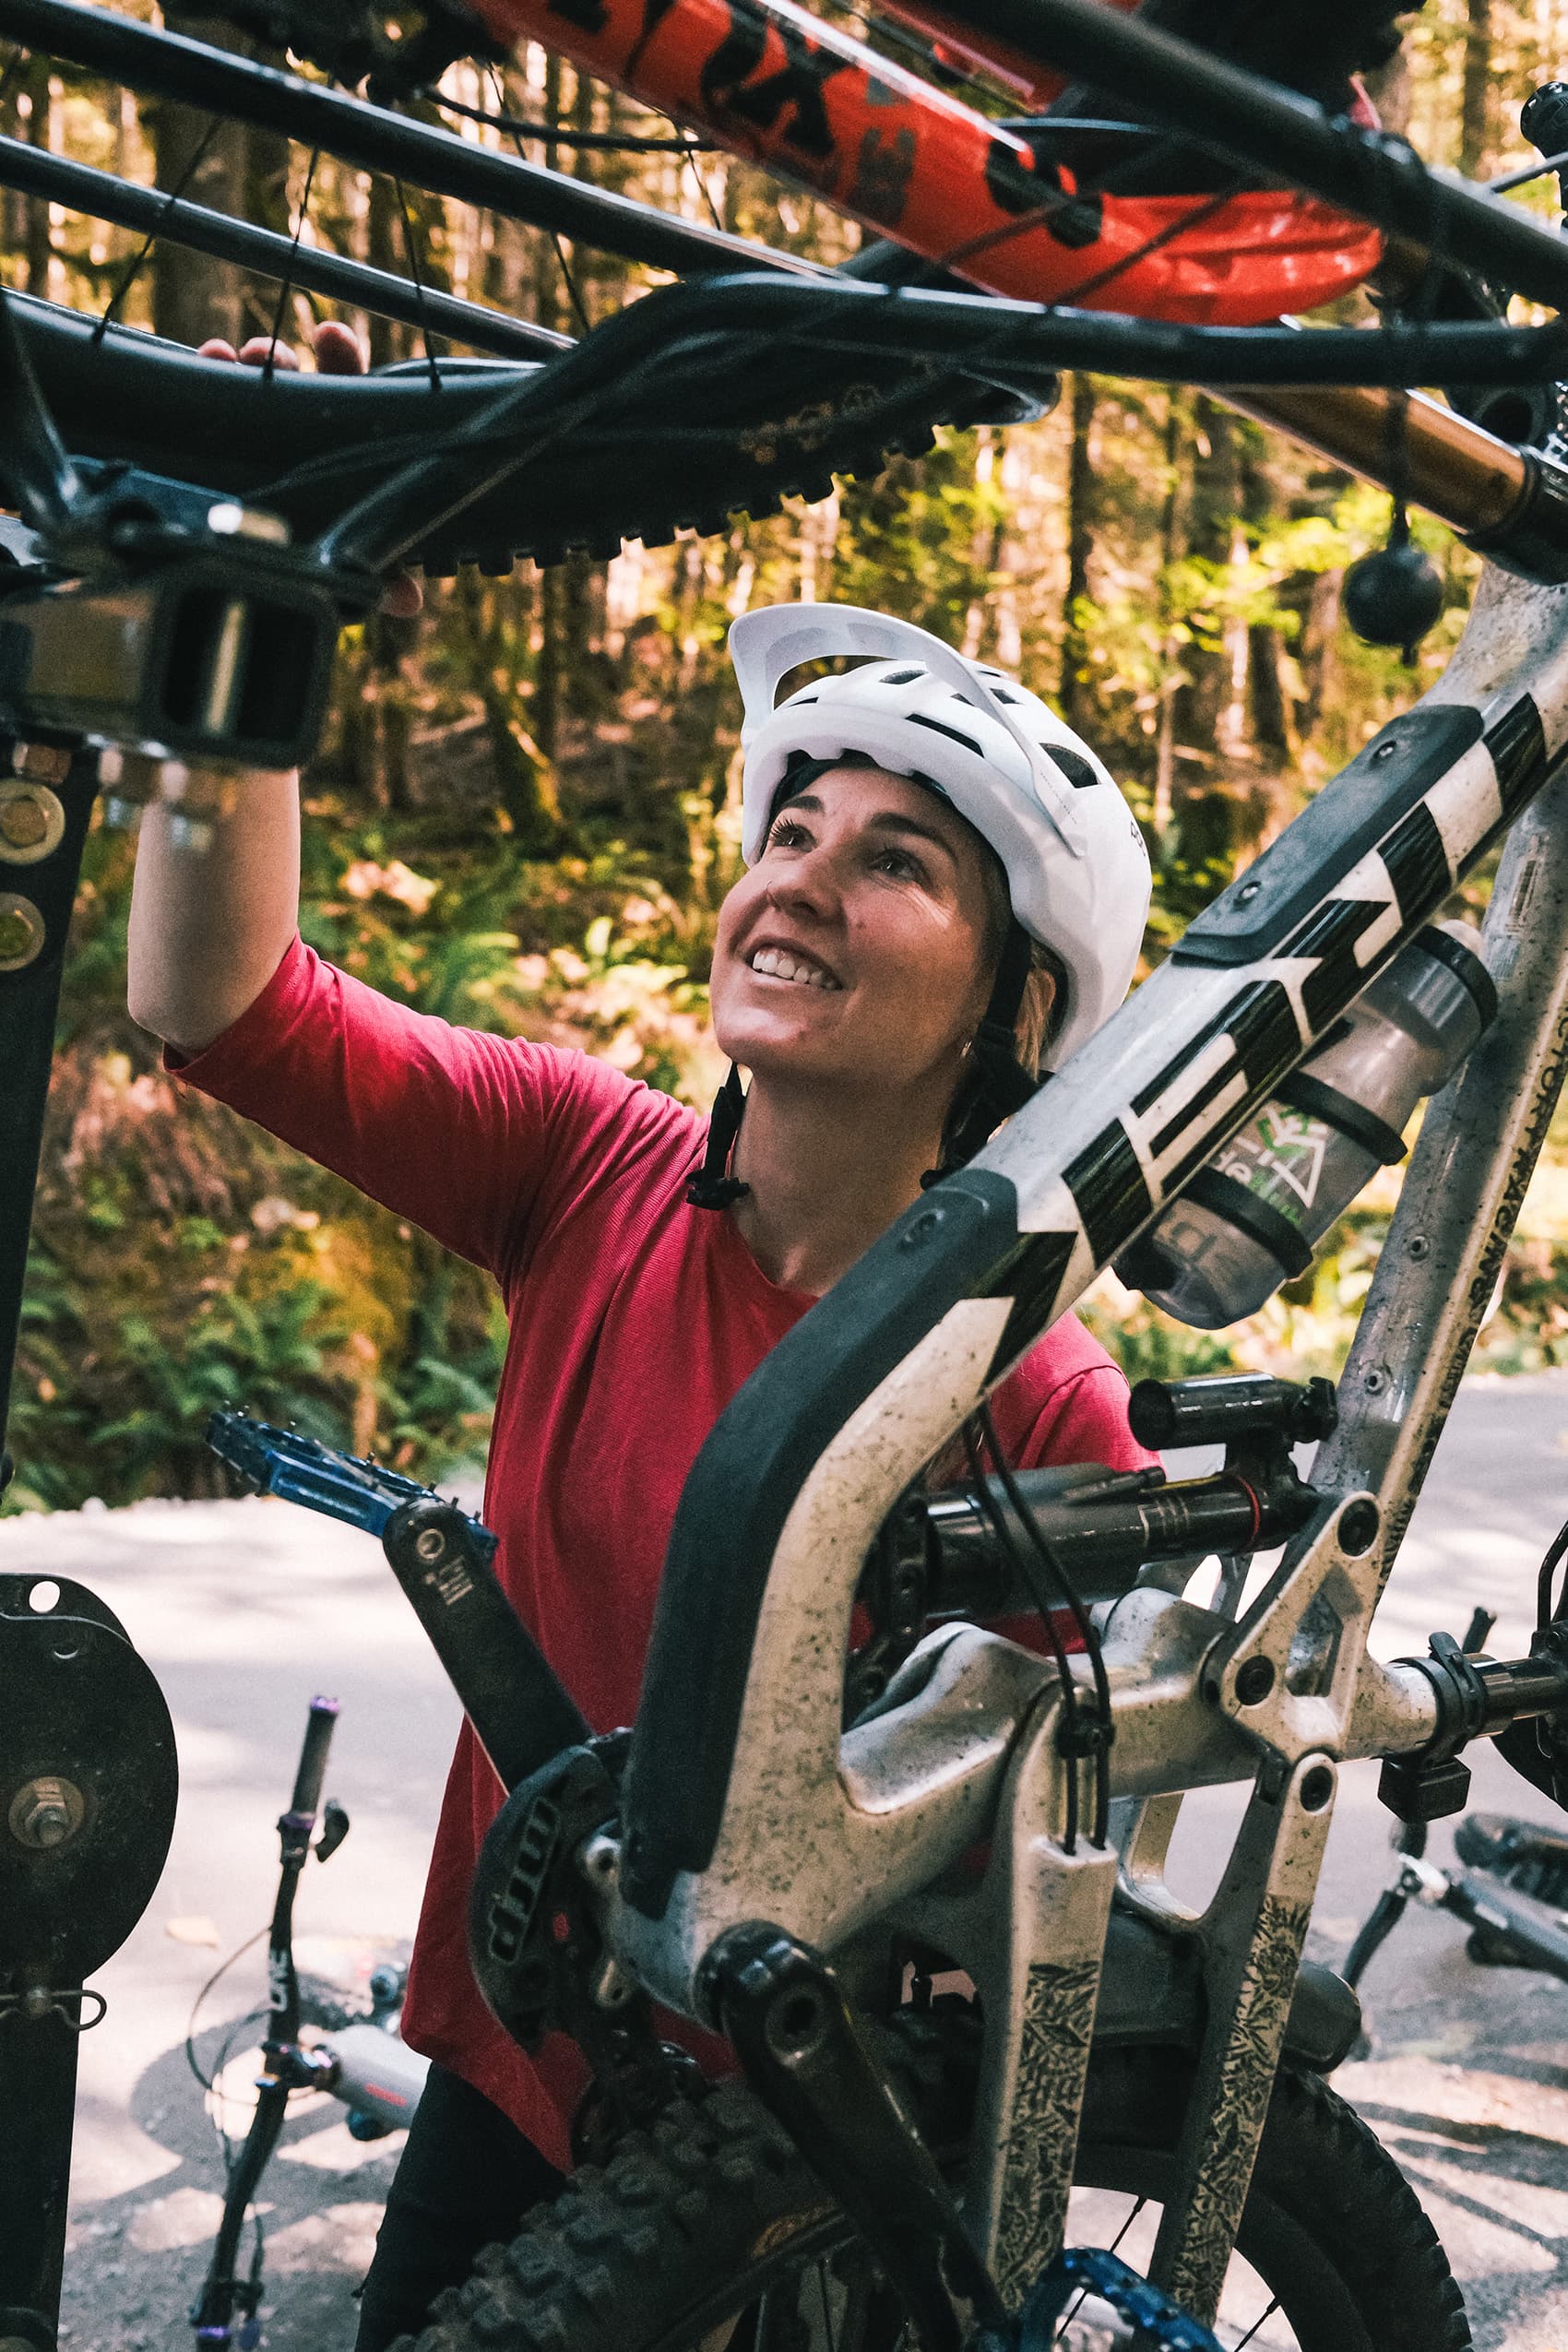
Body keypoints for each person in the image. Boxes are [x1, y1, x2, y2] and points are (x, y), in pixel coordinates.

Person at [128, 539, 1155, 2339]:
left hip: (796, 2179)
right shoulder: (588, 1165)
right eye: (790, 832)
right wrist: (248, 627)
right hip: (520, 2071)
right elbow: (222, 1005)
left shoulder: (1035, 1405)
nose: (800, 878)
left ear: (1012, 1013)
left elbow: (1054, 1910)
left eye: (894, 860)